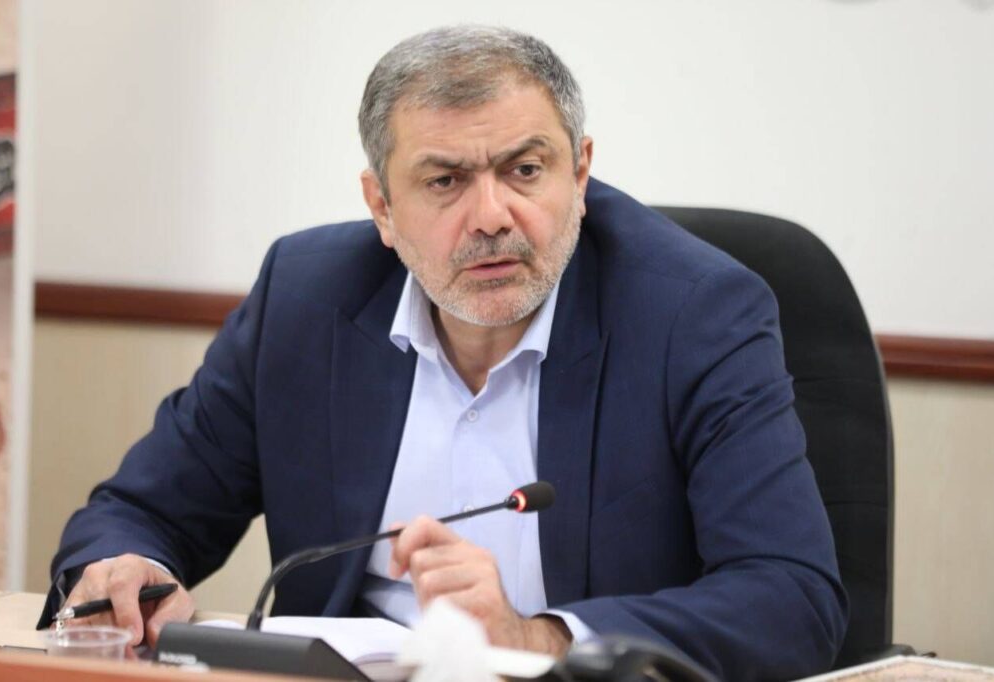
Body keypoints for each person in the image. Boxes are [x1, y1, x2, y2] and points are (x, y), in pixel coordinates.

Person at [41, 26, 847, 679]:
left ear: (580, 173)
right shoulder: (306, 298)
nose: (492, 215)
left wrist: (538, 639)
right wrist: (124, 564)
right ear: (382, 207)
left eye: (525, 170)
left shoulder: (693, 313)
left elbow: (790, 597)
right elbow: (142, 510)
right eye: (445, 182)